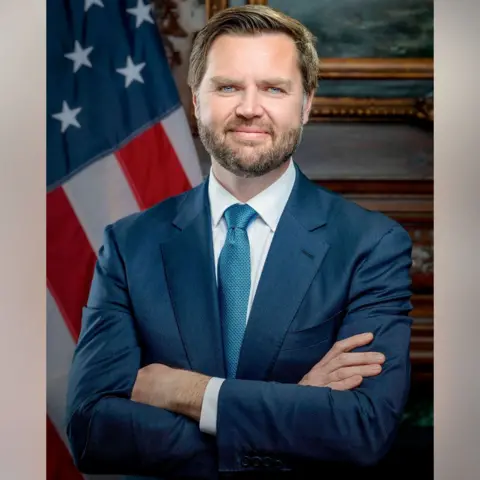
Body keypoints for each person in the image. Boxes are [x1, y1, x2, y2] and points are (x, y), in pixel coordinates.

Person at [66, 5, 413, 479]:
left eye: (273, 88)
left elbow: (362, 428)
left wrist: (186, 393)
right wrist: (295, 410)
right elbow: (92, 431)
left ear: (306, 103)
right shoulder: (129, 246)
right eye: (228, 86)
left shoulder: (371, 245)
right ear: (196, 98)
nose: (250, 107)